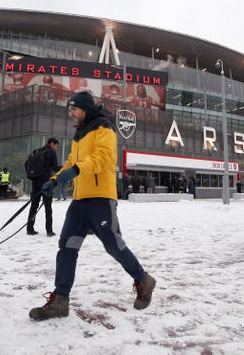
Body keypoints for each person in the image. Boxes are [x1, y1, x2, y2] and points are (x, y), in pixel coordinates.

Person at [30, 91, 155, 321]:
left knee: (114, 246)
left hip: (100, 199)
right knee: (67, 246)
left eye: (73, 109)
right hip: (80, 201)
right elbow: (70, 162)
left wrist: (75, 171)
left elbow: (103, 158)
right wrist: (55, 179)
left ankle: (143, 279)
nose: (71, 114)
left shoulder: (104, 129)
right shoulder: (79, 135)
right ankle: (60, 299)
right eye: (69, 110)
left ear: (85, 108)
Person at [26, 138, 61, 236]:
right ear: (52, 143)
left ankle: (29, 228)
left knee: (34, 206)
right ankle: (49, 230)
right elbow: (54, 168)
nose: (56, 148)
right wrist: (64, 167)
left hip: (35, 181)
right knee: (48, 207)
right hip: (46, 182)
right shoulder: (51, 152)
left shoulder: (37, 151)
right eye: (56, 146)